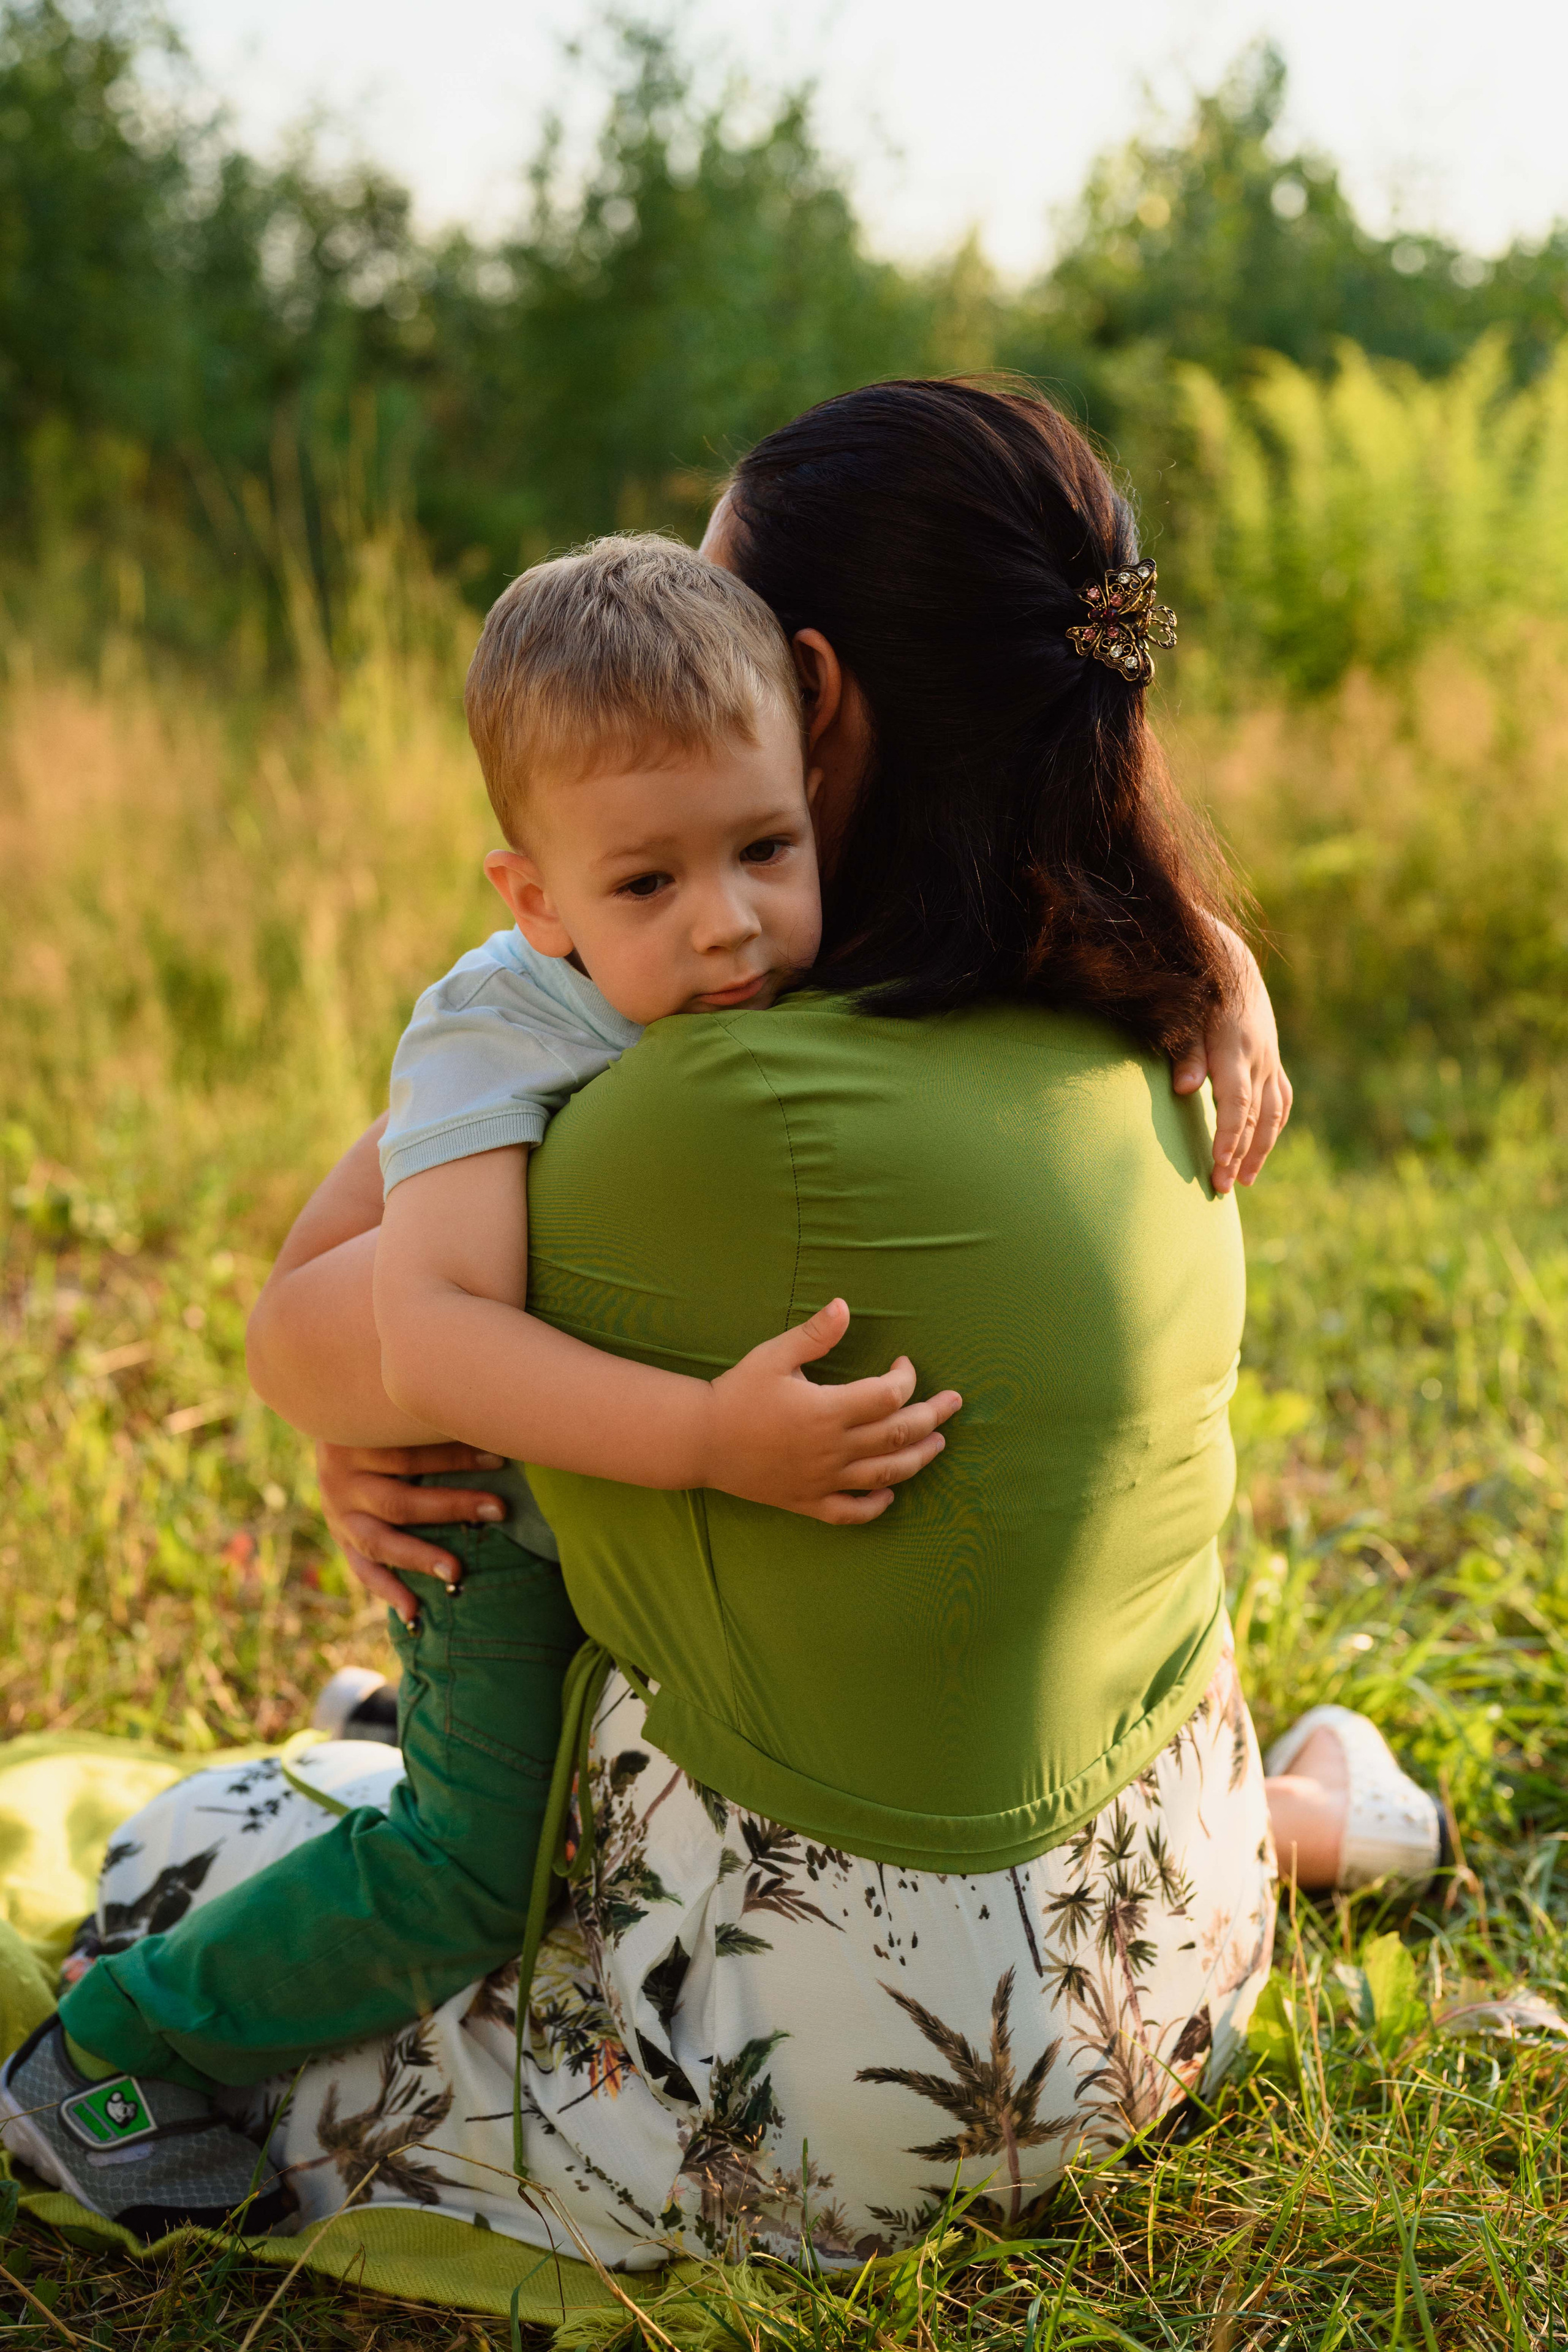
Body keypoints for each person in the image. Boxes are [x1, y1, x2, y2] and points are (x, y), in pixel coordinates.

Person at [7, 380, 1442, 2261]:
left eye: (724, 621)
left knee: (248, 1844)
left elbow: (305, 1339)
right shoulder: (1133, 1005)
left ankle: (104, 2071)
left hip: (866, 2080)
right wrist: (1221, 952)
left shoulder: (693, 1117)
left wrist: (403, 1361)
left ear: (816, 695)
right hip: (1175, 1942)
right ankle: (1329, 1814)